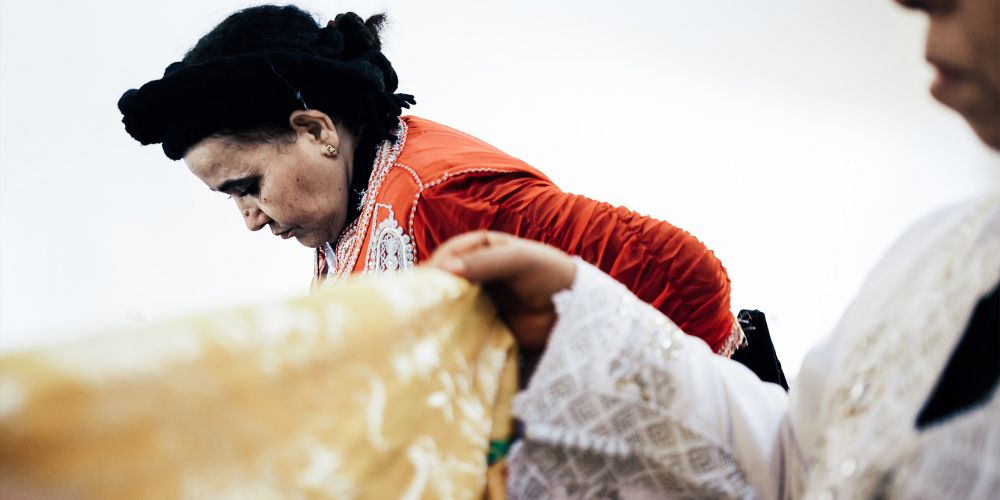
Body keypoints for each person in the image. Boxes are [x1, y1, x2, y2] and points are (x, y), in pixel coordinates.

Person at [428, 0, 1000, 497]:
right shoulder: (935, 256)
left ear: (330, 134)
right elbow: (796, 468)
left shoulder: (446, 188)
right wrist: (580, 332)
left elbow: (687, 272)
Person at [117, 5, 748, 358]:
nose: (250, 218)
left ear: (314, 130)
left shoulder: (442, 197)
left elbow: (680, 271)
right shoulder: (355, 205)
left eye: (246, 185)